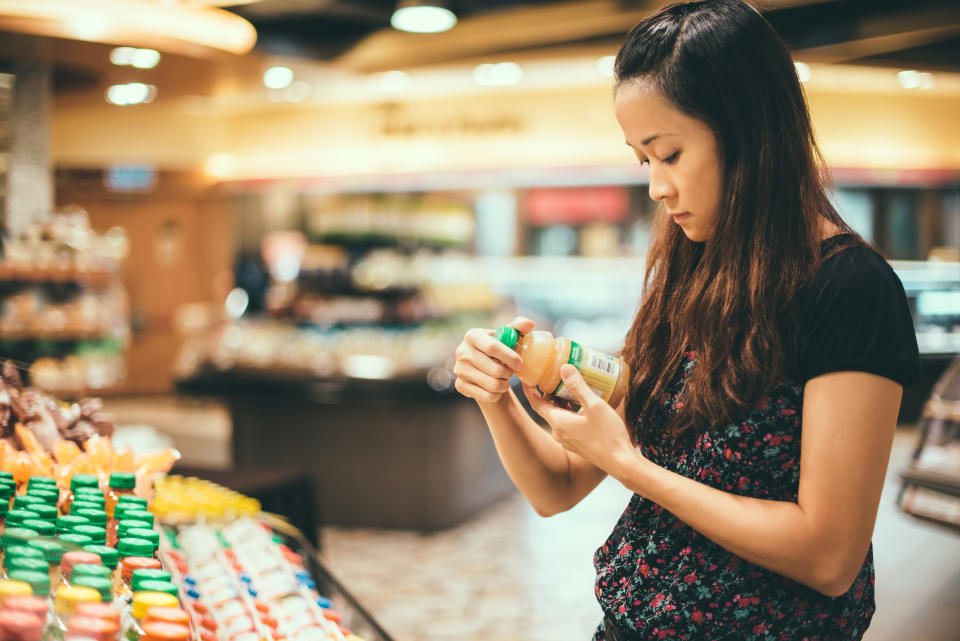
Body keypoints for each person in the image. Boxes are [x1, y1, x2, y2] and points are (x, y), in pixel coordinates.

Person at [452, 1, 921, 639]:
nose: (656, 186)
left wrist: (633, 467)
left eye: (668, 153)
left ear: (749, 131)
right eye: (643, 160)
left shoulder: (850, 289)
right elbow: (557, 487)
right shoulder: (691, 274)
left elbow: (829, 556)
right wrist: (499, 396)